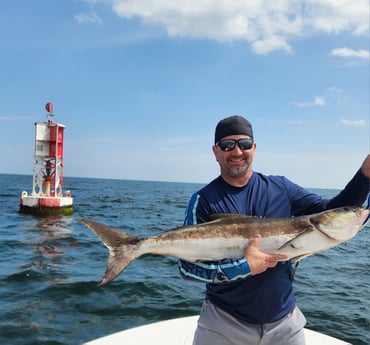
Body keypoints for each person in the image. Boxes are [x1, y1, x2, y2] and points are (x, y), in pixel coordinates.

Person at [179, 115, 370, 345]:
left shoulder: (282, 188)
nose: (237, 152)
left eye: (245, 144)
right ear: (215, 151)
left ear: (255, 148)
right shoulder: (203, 200)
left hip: (284, 323)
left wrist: (365, 176)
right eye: (227, 145)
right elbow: (187, 269)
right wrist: (243, 267)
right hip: (223, 324)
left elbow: (331, 211)